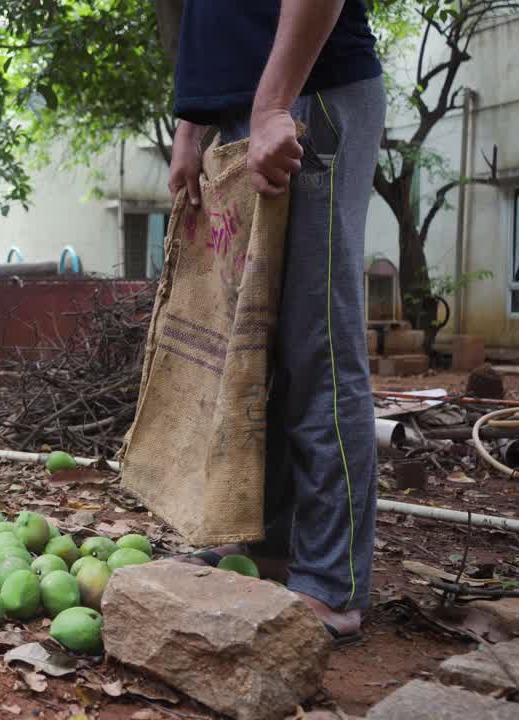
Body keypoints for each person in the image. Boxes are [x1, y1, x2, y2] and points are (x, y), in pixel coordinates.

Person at [157, 0, 386, 645]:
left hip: (309, 95)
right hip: (252, 108)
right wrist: (191, 127)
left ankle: (329, 580)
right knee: (259, 346)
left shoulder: (284, 103)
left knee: (318, 342)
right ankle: (273, 546)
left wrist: (271, 107)